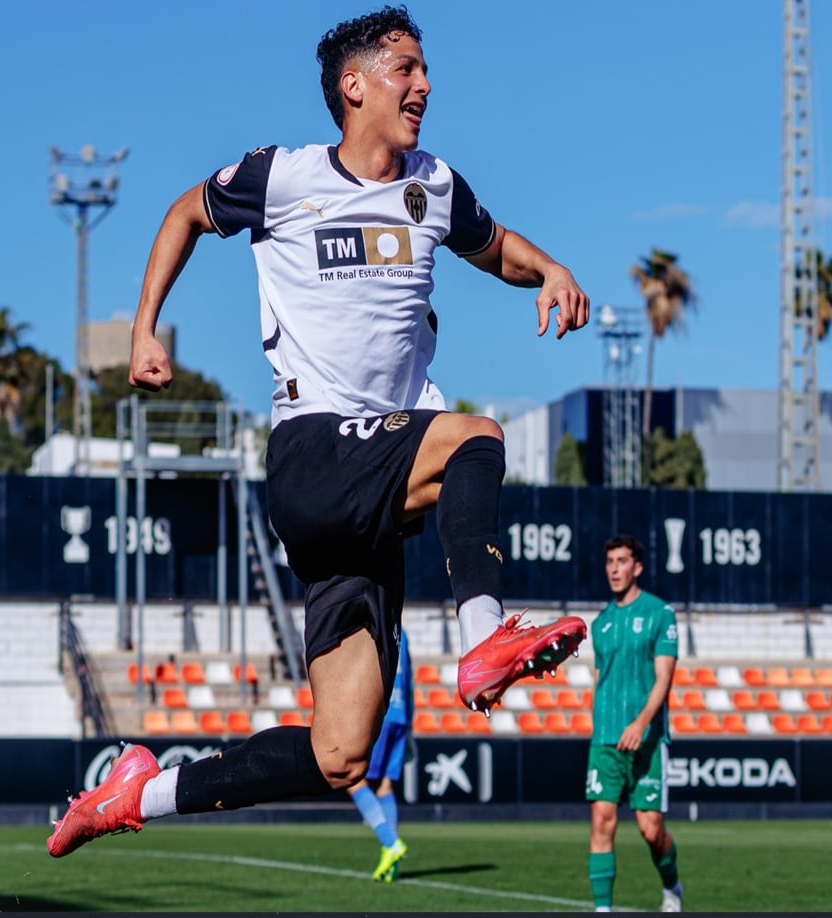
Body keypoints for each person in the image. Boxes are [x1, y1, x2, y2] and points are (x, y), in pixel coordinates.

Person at [48, 4, 589, 858]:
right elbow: (185, 212)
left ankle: (130, 798)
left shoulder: (433, 186)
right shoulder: (285, 175)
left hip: (366, 501)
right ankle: (485, 634)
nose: (425, 84)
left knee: (341, 752)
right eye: (406, 68)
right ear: (355, 85)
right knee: (476, 434)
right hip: (316, 452)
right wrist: (145, 325)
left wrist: (550, 270)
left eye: (424, 69)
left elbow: (496, 248)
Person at [585, 536, 683, 912]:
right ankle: (603, 909)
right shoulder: (601, 623)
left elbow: (664, 678)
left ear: (637, 567)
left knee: (650, 829)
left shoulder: (661, 614)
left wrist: (642, 722)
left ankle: (672, 886)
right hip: (605, 739)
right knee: (602, 821)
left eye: (621, 561)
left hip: (647, 738)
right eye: (609, 561)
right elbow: (600, 678)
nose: (613, 568)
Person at [347, 626, 412, 882]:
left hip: (379, 713)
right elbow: (410, 680)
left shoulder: (368, 623)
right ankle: (392, 862)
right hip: (400, 715)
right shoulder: (402, 632)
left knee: (351, 779)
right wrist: (410, 726)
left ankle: (390, 842)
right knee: (384, 785)